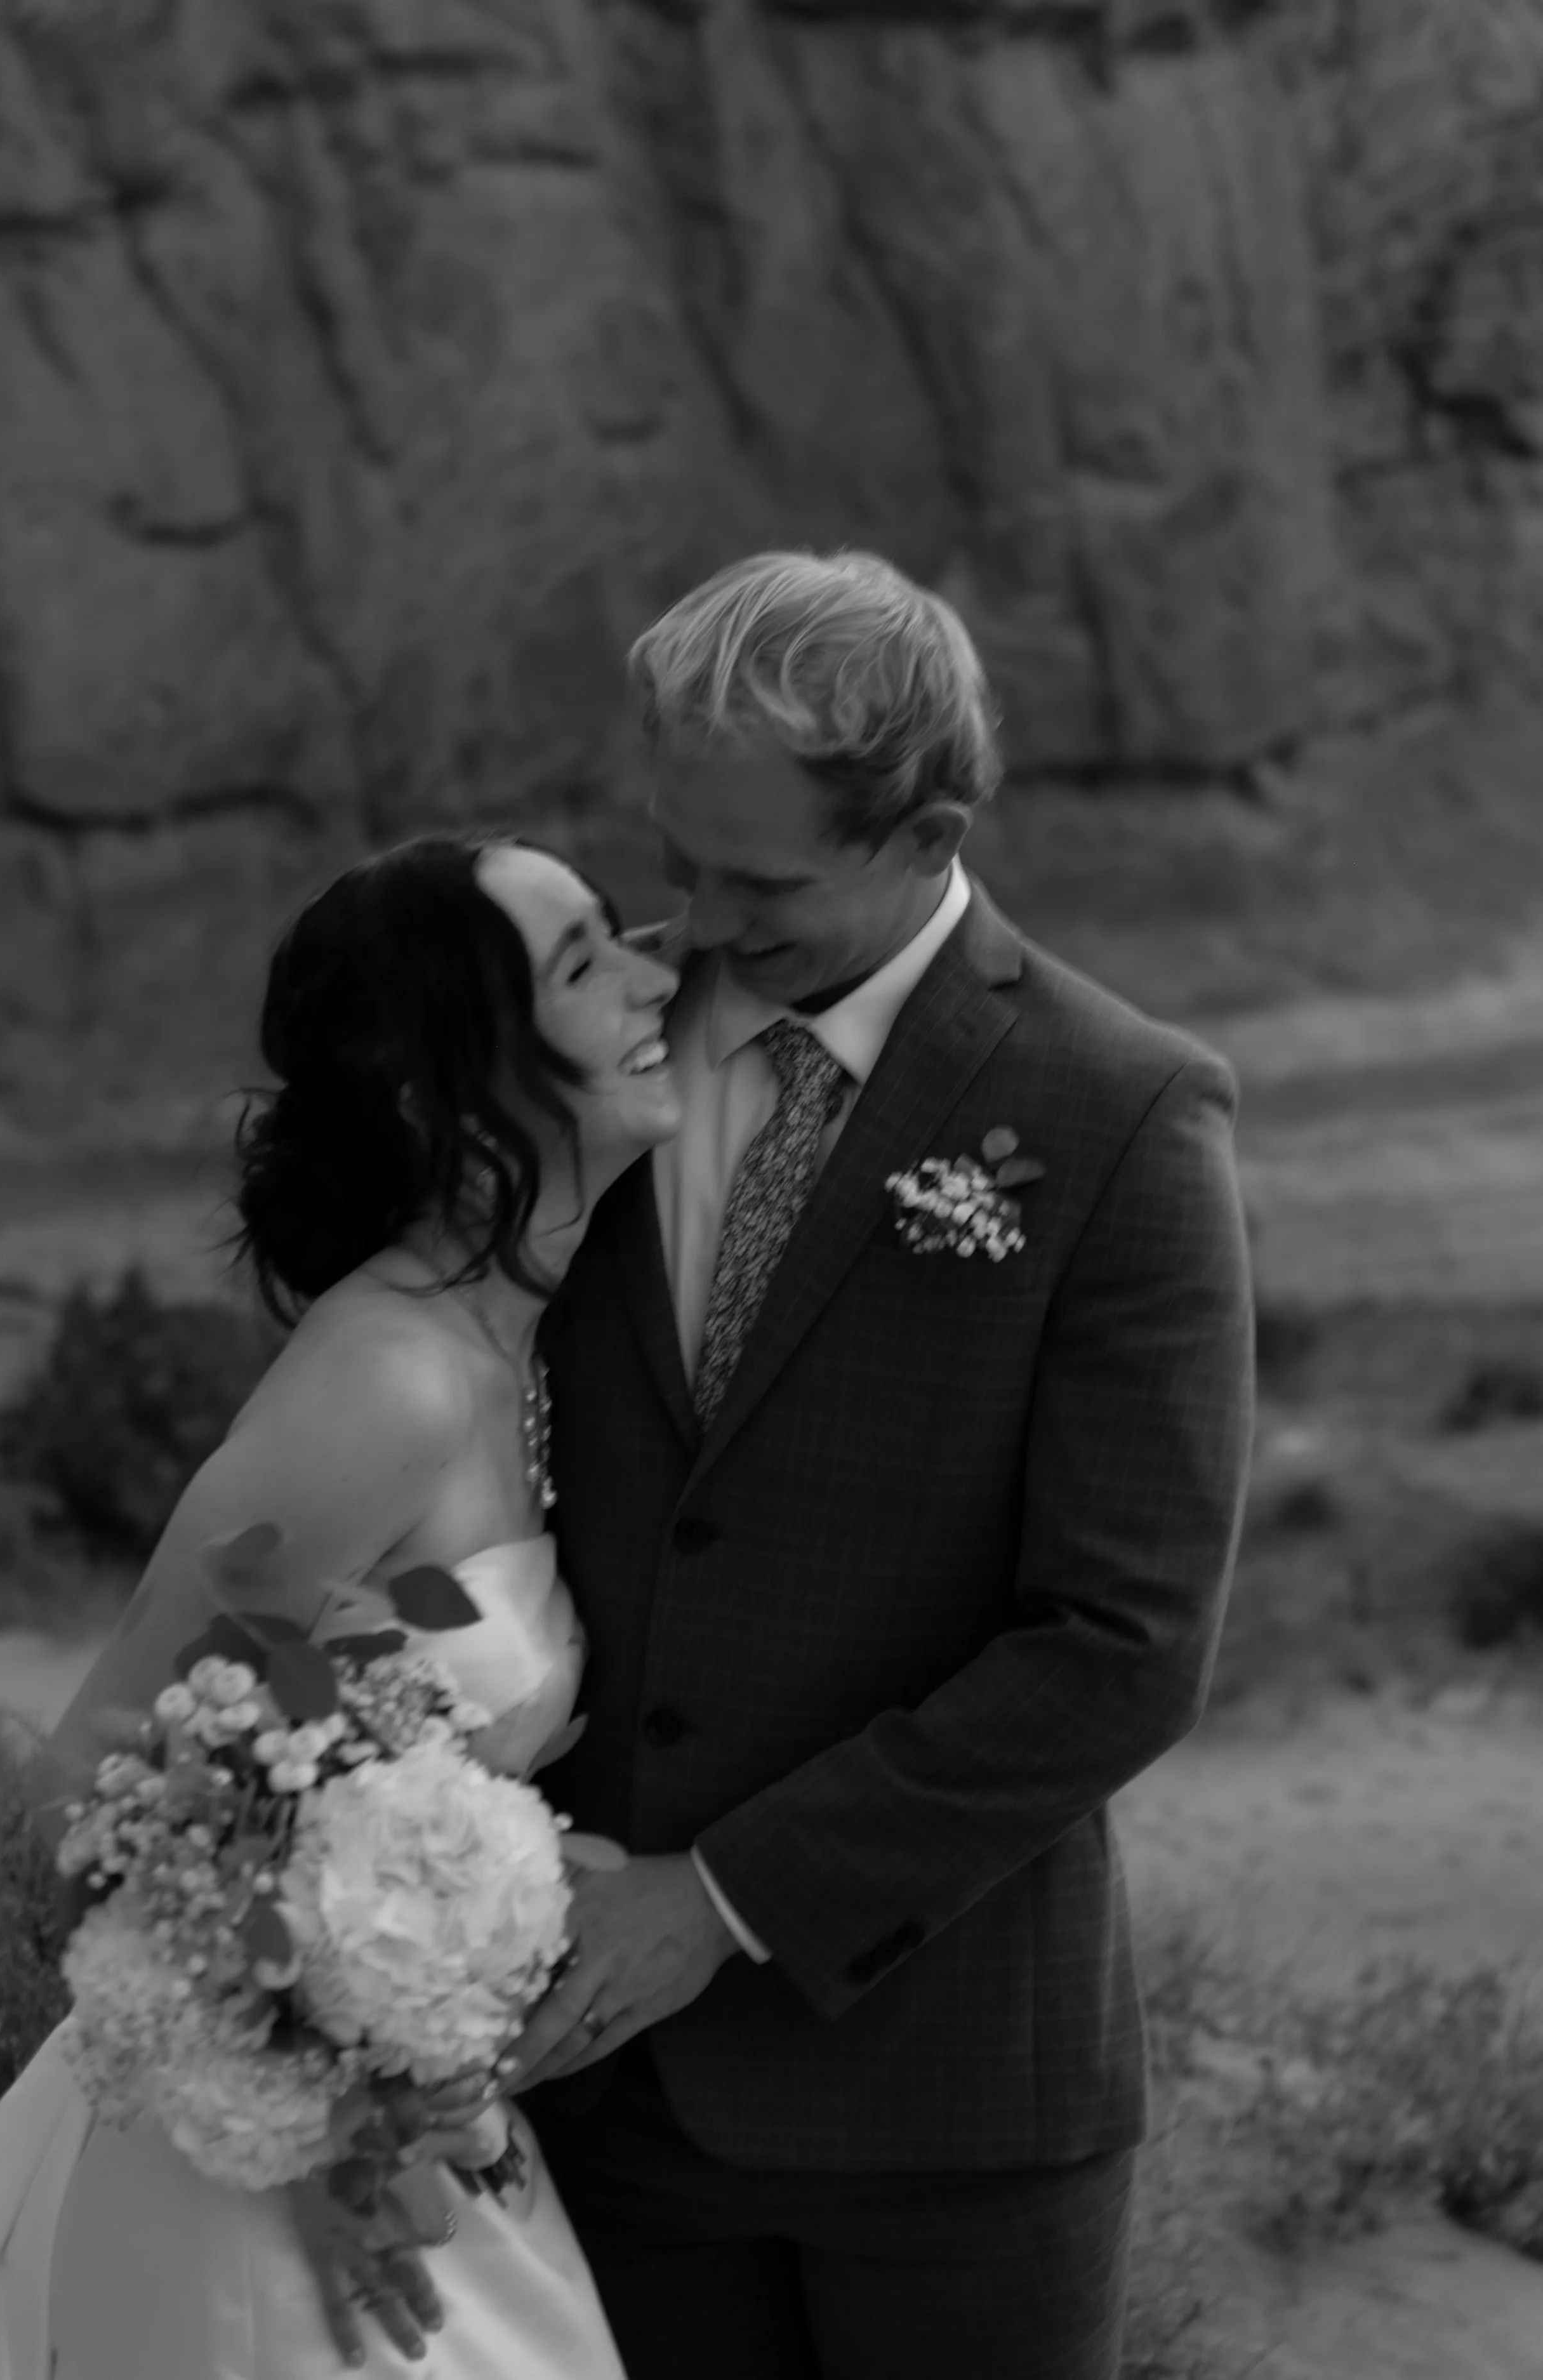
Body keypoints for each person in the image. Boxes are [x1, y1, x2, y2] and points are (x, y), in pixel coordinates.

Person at [507, 550, 1257, 2380]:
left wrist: (723, 1895)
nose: (697, 920)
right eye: (674, 858)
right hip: (598, 2092)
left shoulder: (1120, 1112)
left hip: (952, 2101)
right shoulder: (584, 1060)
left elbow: (1120, 1644)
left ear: (923, 829)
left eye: (758, 881)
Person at [0, 831, 687, 2380]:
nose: (654, 977)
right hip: (266, 2190)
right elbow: (90, 1772)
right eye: (581, 964)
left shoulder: (529, 1341)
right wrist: (330, 2119)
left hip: (422, 2132)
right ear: (442, 1094)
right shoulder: (384, 1383)